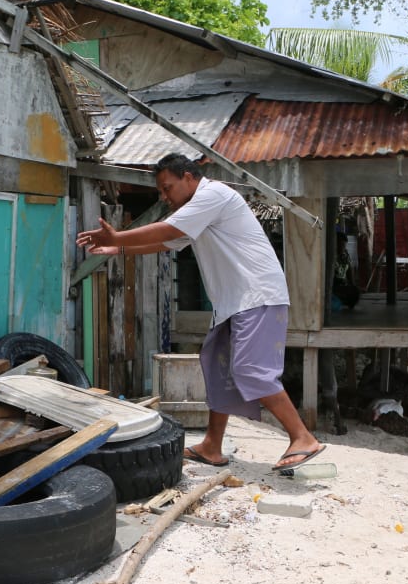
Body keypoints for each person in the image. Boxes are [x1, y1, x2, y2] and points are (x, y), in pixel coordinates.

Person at [76, 153, 325, 470]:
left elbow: (166, 232)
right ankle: (212, 446)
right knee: (216, 365)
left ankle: (302, 437)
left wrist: (118, 237)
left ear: (189, 178)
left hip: (258, 295)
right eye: (161, 192)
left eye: (168, 188)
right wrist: (120, 248)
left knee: (251, 370)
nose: (165, 197)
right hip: (233, 301)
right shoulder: (196, 210)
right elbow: (170, 243)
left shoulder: (212, 195)